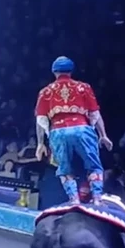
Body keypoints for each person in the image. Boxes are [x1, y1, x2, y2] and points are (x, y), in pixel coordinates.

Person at [34, 56, 113, 204]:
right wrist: (103, 135)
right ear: (71, 71)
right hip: (82, 129)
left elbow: (41, 119)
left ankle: (74, 199)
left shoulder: (45, 91)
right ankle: (97, 198)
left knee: (64, 168)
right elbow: (95, 113)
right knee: (94, 165)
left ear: (54, 72)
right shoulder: (83, 87)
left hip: (58, 131)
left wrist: (40, 143)